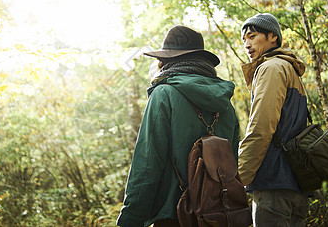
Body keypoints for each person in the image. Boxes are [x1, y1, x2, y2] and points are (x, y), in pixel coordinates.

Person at [116, 25, 241, 227]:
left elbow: (147, 165)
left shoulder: (163, 94)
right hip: (219, 215)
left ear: (165, 61)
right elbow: (232, 165)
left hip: (174, 214)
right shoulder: (226, 104)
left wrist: (130, 220)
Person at [238, 13, 310, 226]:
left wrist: (239, 177)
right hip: (297, 182)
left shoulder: (271, 68)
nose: (247, 44)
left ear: (273, 37)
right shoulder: (290, 69)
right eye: (244, 40)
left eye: (252, 36)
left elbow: (261, 128)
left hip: (273, 184)